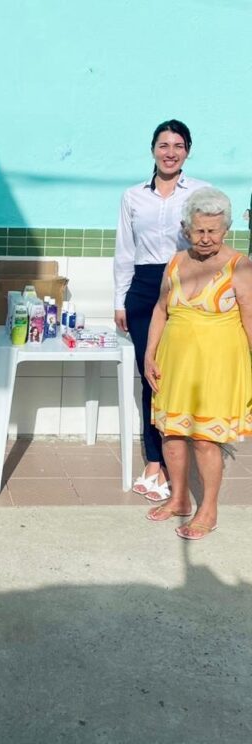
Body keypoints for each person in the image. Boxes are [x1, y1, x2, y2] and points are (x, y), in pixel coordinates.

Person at [144, 188, 252, 539]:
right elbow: (160, 310)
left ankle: (208, 509)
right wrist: (149, 354)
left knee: (206, 440)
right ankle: (178, 499)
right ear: (186, 229)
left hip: (218, 367)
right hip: (174, 363)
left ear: (226, 230)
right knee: (172, 433)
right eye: (199, 230)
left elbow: (250, 318)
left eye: (213, 231)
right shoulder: (176, 262)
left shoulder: (240, 265)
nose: (206, 238)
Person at [114, 120, 208, 503]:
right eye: (164, 145)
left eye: (178, 146)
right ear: (152, 149)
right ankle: (155, 460)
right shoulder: (133, 196)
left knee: (179, 376)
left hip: (185, 286)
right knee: (150, 373)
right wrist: (120, 299)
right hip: (143, 287)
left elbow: (212, 243)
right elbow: (125, 250)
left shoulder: (201, 193)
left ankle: (174, 462)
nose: (171, 152)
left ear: (188, 151)